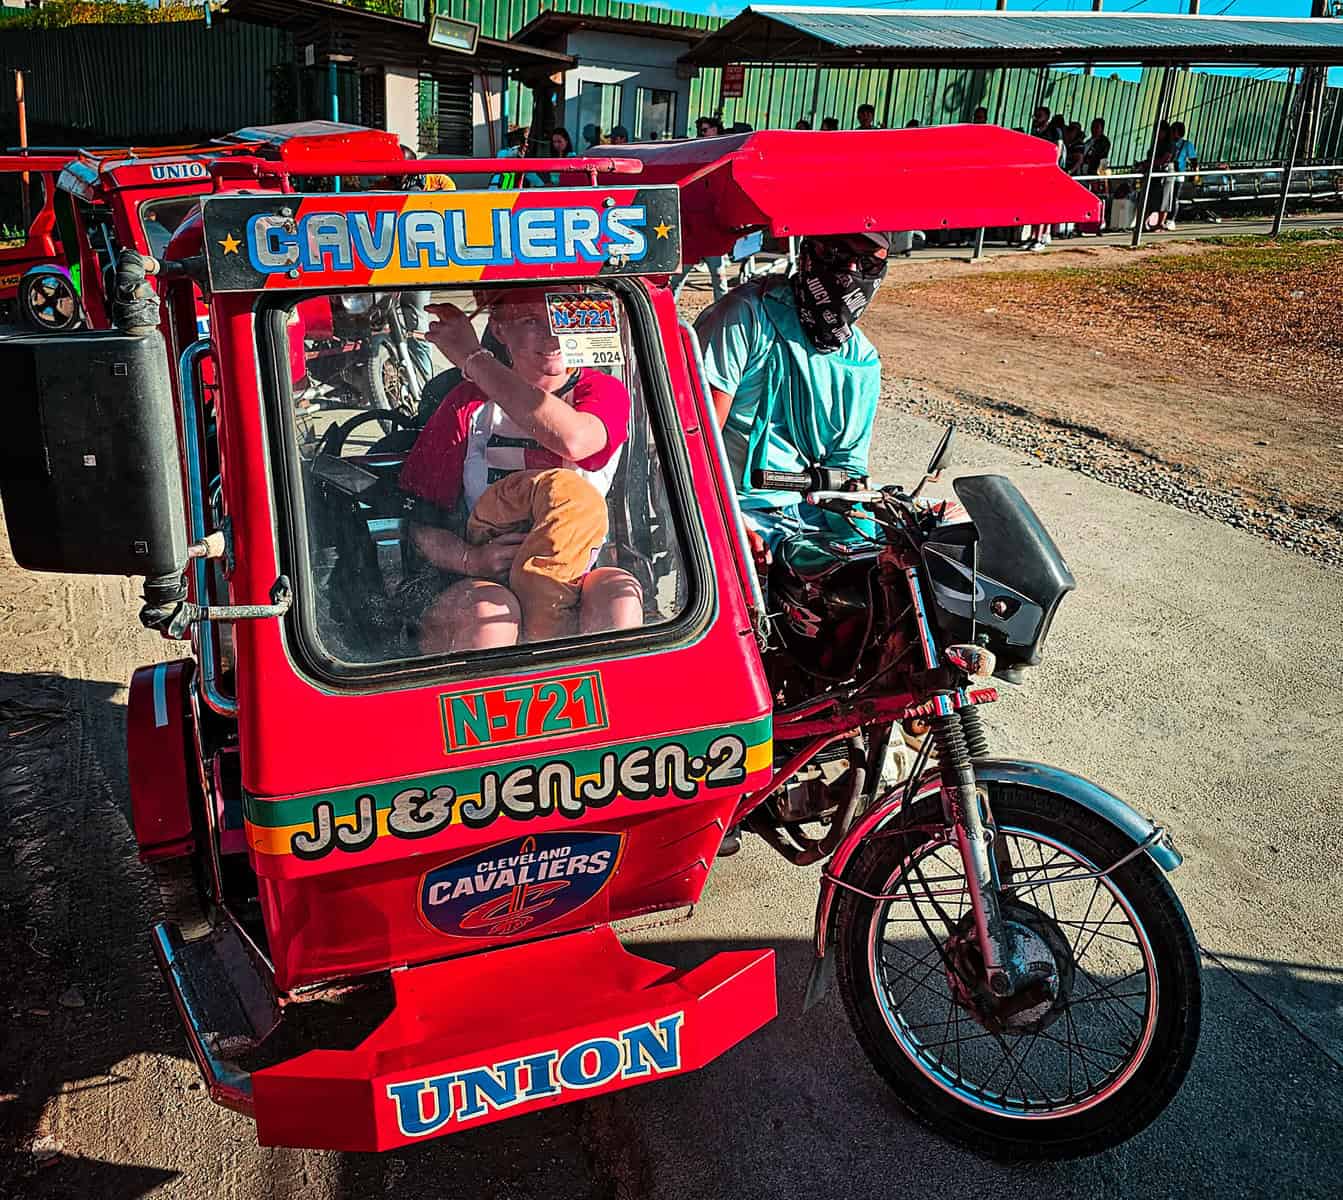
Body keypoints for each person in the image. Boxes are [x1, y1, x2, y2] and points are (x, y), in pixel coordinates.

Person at [399, 290, 642, 652]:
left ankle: (618, 704)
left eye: (562, 319)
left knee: (619, 601)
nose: (553, 337)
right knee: (491, 616)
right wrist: (471, 558)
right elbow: (417, 525)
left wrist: (473, 359)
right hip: (483, 578)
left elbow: (574, 440)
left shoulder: (602, 392)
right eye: (531, 321)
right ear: (498, 329)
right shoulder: (467, 405)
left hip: (581, 571)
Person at [694, 233, 889, 560]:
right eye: (839, 254)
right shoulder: (746, 317)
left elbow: (846, 468)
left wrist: (866, 546)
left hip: (809, 511)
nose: (852, 272)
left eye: (868, 263)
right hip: (736, 505)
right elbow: (697, 442)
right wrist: (724, 520)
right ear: (810, 253)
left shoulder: (861, 359)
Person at [672, 118, 729, 301]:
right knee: (679, 278)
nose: (701, 133)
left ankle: (722, 311)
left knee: (718, 276)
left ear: (715, 129)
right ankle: (667, 314)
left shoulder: (725, 152)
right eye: (700, 130)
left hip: (711, 227)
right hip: (694, 228)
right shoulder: (699, 152)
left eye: (705, 130)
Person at [1165, 121, 1198, 231]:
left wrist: (1195, 174)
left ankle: (1171, 219)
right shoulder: (1167, 143)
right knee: (1166, 196)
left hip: (1179, 173)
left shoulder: (1186, 145)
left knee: (1174, 196)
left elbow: (1194, 161)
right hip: (1167, 172)